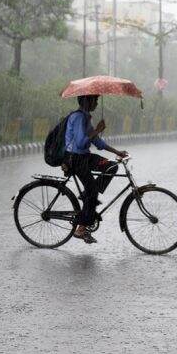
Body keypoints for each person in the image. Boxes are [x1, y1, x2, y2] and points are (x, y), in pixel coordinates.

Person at [65, 95, 128, 243]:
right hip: (75, 159)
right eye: (95, 100)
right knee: (93, 191)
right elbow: (80, 143)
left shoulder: (85, 117)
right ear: (87, 101)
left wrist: (117, 152)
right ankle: (81, 228)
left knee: (111, 166)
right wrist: (97, 129)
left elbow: (97, 142)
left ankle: (88, 196)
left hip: (84, 156)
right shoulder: (78, 118)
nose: (97, 103)